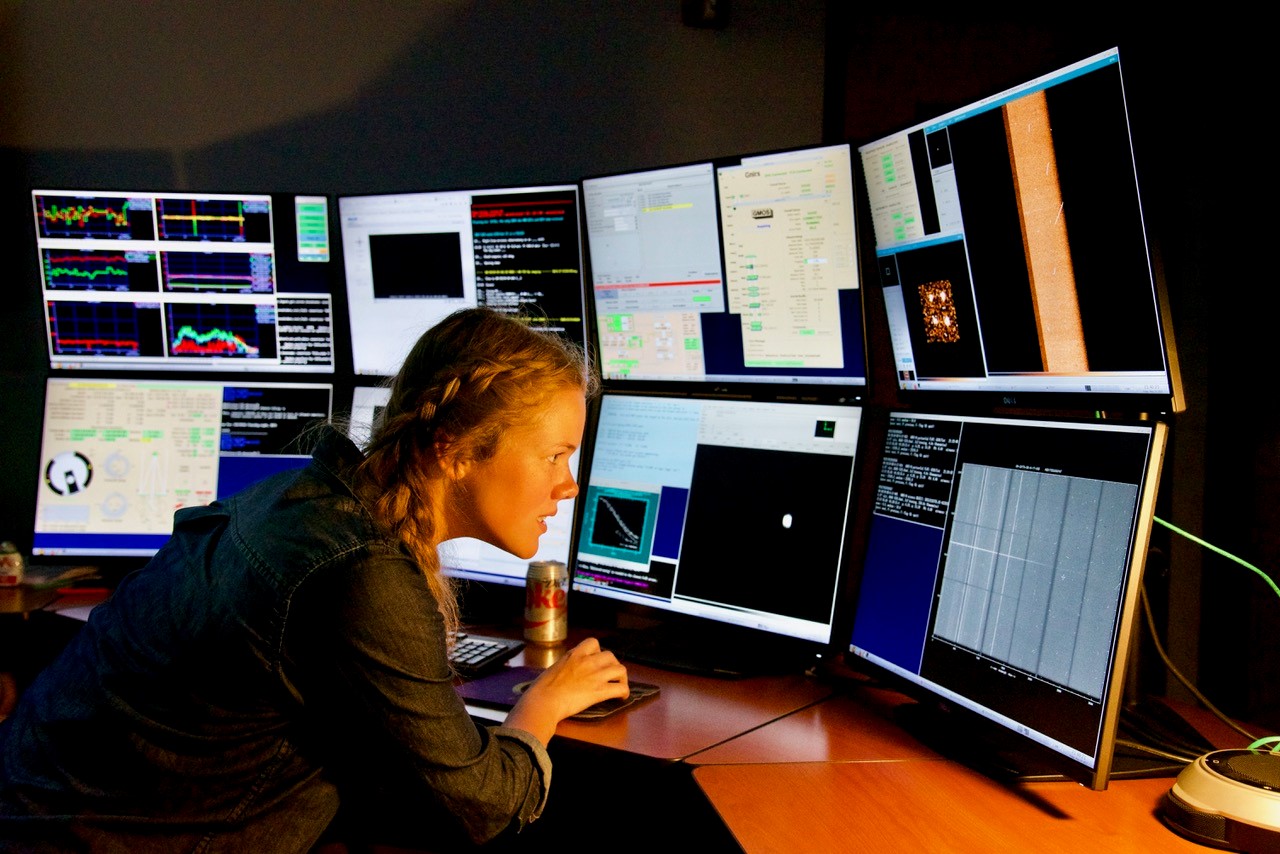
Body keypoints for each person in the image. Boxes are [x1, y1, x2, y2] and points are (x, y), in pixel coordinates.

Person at [0, 308, 630, 852]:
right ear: (456, 450)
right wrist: (539, 707)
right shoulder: (362, 573)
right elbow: (480, 804)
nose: (568, 483)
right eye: (553, 455)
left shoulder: (306, 500)